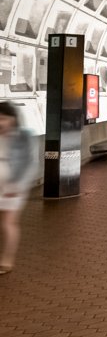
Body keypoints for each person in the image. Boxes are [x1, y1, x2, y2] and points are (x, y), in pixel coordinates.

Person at [0, 102, 38, 275]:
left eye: (3, 119)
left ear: (13, 119)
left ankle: (7, 259)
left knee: (8, 222)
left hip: (12, 185)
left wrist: (18, 185)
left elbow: (31, 163)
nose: (1, 123)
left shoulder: (24, 136)